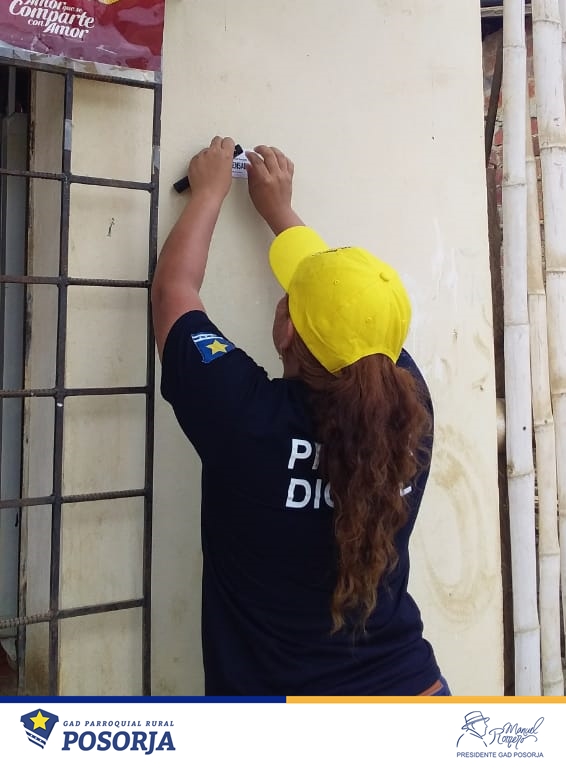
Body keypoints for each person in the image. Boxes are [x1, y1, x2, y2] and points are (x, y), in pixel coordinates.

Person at [152, 135, 449, 696]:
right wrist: (279, 209)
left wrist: (208, 193)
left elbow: (174, 292)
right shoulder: (413, 415)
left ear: (284, 330)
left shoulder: (245, 417)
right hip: (414, 699)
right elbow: (348, 310)